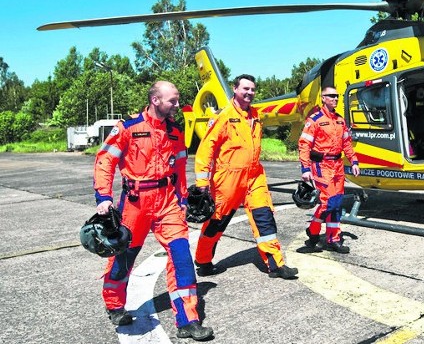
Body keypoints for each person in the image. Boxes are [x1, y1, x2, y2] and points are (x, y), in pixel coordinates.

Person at [93, 81, 213, 341]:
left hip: (168, 201)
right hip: (134, 203)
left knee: (181, 256)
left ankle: (188, 320)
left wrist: (182, 199)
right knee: (124, 256)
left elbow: (180, 168)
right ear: (155, 100)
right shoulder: (128, 127)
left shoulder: (176, 132)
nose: (178, 105)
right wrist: (103, 196)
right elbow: (105, 160)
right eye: (173, 100)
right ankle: (114, 304)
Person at [193, 74, 298, 279]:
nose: (249, 93)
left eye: (252, 89)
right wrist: (202, 182)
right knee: (216, 222)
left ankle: (276, 264)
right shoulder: (222, 116)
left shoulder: (255, 115)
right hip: (227, 179)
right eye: (245, 89)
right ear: (235, 89)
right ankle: (203, 259)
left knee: (264, 218)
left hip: (254, 176)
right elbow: (206, 149)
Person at [298, 86, 360, 253]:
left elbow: (346, 143)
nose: (335, 99)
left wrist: (354, 161)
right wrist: (305, 168)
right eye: (331, 96)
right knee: (328, 203)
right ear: (323, 98)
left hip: (338, 166)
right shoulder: (314, 120)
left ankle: (334, 239)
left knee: (337, 204)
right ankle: (313, 231)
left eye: (337, 96)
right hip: (321, 166)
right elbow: (304, 145)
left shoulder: (340, 120)